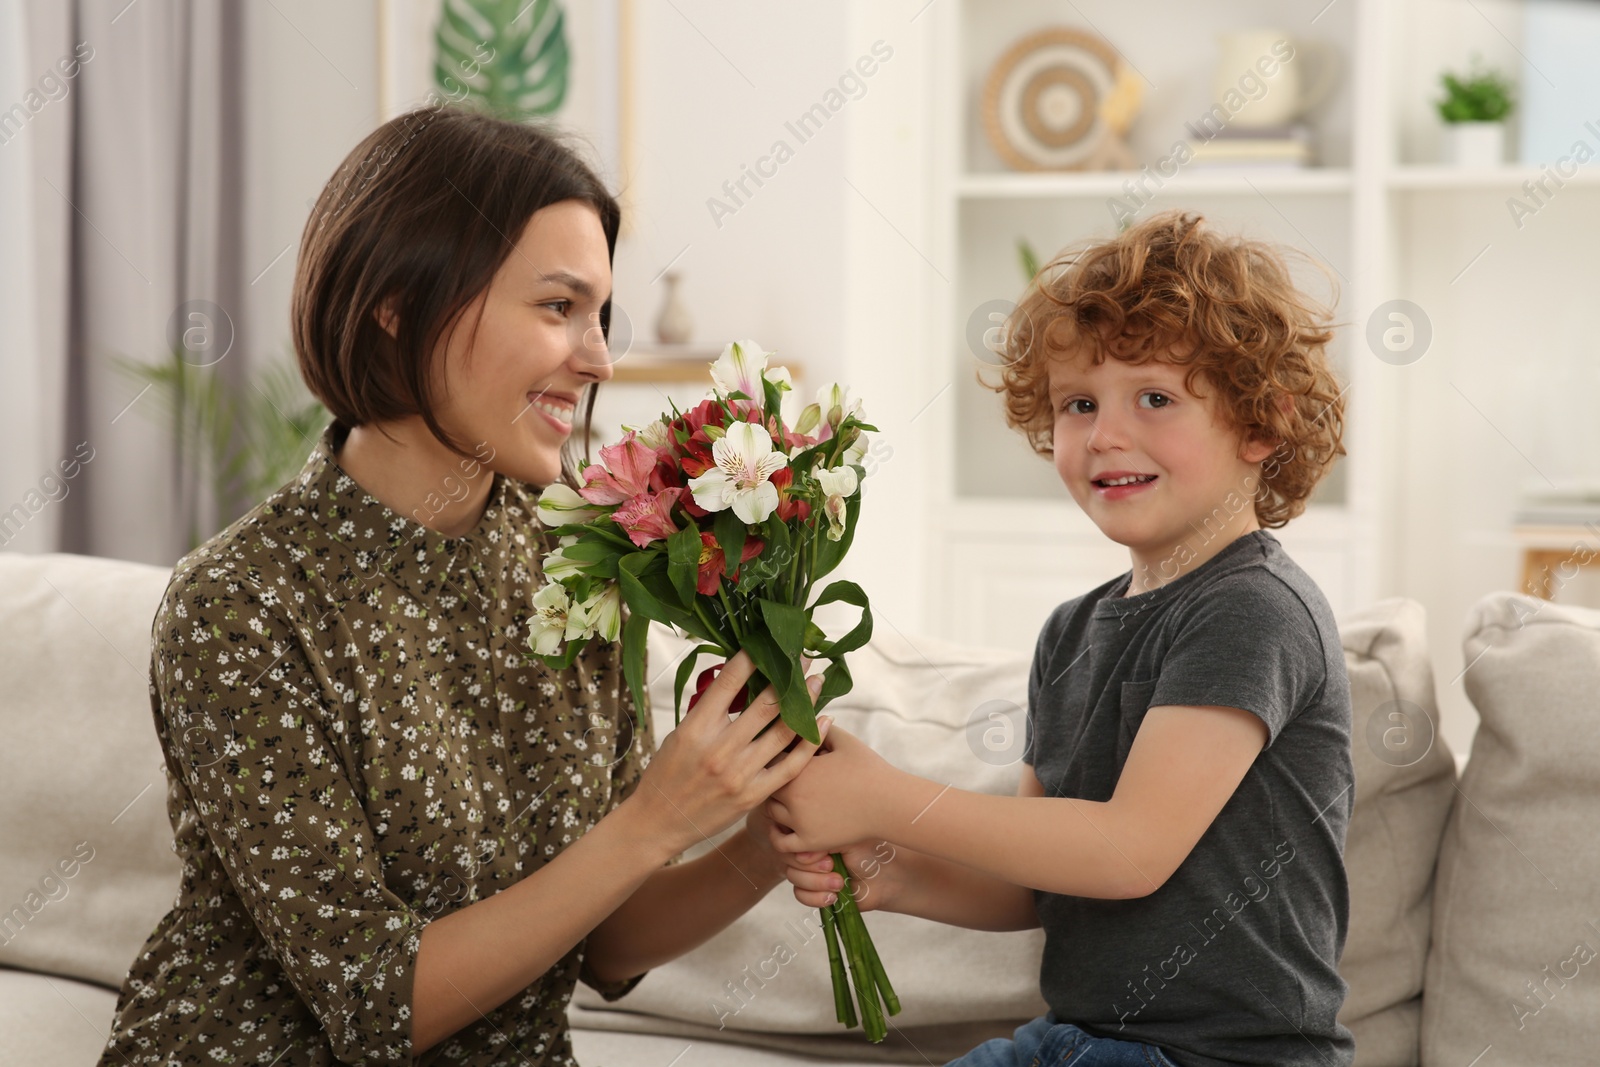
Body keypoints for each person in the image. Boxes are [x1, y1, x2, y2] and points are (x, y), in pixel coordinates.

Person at [97, 106, 828, 1067]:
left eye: (601, 315)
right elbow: (375, 1005)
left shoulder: (580, 568)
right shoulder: (240, 604)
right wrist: (658, 816)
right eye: (558, 307)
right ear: (399, 303)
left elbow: (605, 942)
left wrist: (760, 839)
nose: (600, 357)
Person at [763, 210, 1355, 1067]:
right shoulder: (1072, 631)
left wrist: (889, 796)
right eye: (1080, 403)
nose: (1106, 433)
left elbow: (1128, 851)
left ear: (1262, 424)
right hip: (1075, 1043)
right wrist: (891, 871)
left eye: (1154, 397)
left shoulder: (1253, 609)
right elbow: (1044, 879)